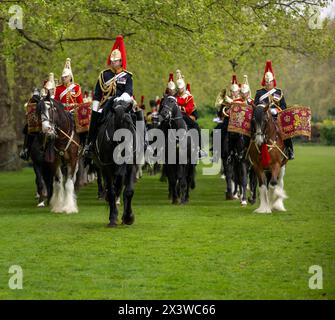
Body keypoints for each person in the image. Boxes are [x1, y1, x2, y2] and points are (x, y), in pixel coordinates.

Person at [84, 35, 140, 158]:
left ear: (121, 61)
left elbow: (129, 91)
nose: (113, 63)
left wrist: (121, 98)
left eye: (116, 61)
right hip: (105, 104)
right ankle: (90, 144)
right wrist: (95, 106)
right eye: (112, 60)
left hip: (122, 103)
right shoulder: (104, 75)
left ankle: (140, 143)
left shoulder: (127, 76)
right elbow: (98, 93)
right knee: (94, 119)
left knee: (136, 116)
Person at [254, 60, 294, 160]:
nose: (268, 84)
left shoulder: (278, 92)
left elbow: (284, 106)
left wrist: (275, 111)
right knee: (253, 128)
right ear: (264, 82)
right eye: (267, 82)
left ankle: (290, 150)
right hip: (264, 117)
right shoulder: (259, 93)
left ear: (273, 81)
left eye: (270, 82)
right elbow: (255, 106)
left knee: (286, 131)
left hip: (276, 118)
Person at [19, 73, 55, 160]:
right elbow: (33, 101)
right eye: (46, 89)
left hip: (53, 120)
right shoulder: (40, 95)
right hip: (41, 120)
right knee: (29, 127)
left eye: (50, 89)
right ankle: (26, 149)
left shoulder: (56, 96)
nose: (48, 91)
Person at [175, 69, 207, 159]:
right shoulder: (174, 97)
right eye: (178, 88)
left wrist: (180, 108)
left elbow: (189, 109)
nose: (180, 89)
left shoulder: (189, 97)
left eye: (181, 88)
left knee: (196, 126)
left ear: (183, 87)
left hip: (184, 116)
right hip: (174, 116)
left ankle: (199, 149)